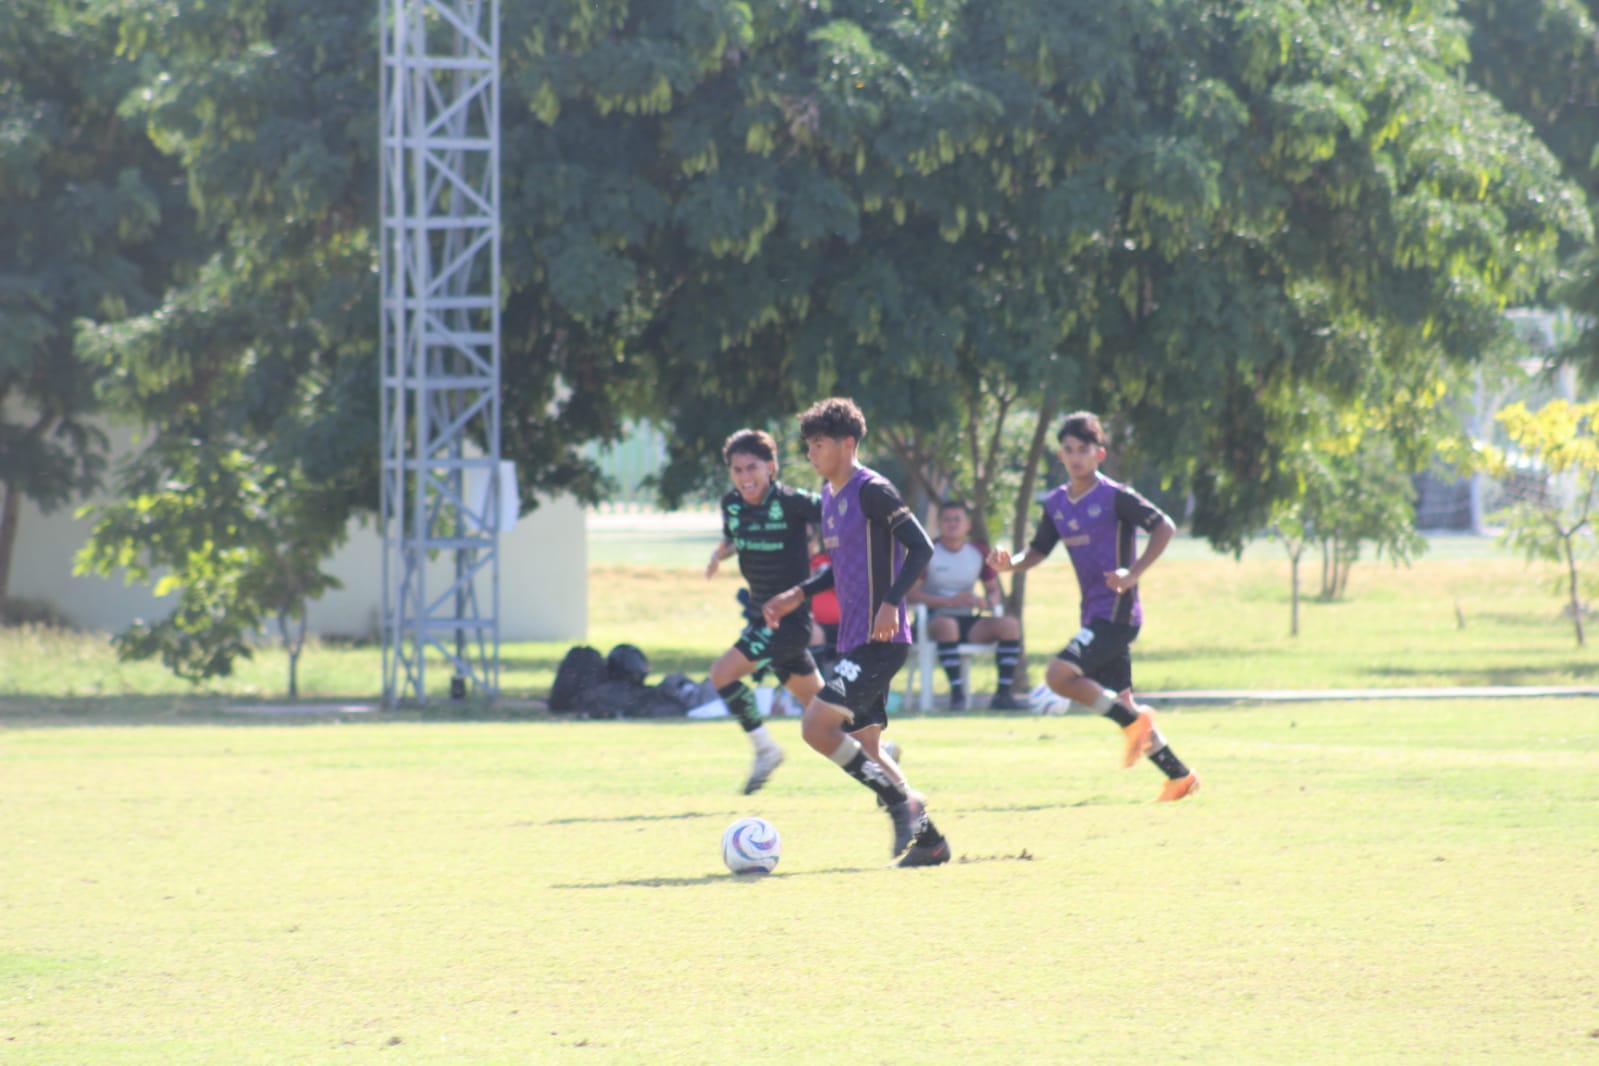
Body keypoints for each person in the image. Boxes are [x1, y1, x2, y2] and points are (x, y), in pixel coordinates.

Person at [764, 397, 952, 867]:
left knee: (816, 727)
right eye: (808, 446)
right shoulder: (829, 496)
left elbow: (921, 548)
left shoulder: (873, 490)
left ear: (848, 444)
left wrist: (892, 603)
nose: (812, 454)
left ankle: (899, 803)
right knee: (869, 750)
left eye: (820, 444)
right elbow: (841, 569)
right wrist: (799, 594)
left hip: (880, 640)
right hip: (852, 640)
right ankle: (930, 842)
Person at [988, 411, 1200, 801]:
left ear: (1099, 454)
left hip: (1117, 613)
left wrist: (1133, 574)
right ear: (1061, 456)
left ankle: (1135, 723)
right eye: (1068, 451)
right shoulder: (1056, 504)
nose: (1076, 457)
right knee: (1121, 700)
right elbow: (1037, 551)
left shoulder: (1115, 496)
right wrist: (1009, 563)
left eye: (1083, 450)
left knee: (1057, 676)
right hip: (1094, 613)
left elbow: (1165, 526)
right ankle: (1179, 776)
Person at [705, 429, 825, 794]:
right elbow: (736, 537)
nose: (745, 477)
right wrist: (721, 552)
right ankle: (880, 751)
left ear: (771, 467)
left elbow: (839, 514)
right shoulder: (732, 505)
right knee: (821, 708)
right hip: (762, 617)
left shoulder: (793, 502)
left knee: (722, 674)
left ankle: (766, 749)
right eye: (737, 470)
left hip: (788, 622)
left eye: (752, 468)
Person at [907, 500, 1023, 710]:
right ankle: (958, 694)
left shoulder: (978, 552)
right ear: (939, 524)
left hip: (969, 619)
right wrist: (949, 601)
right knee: (948, 626)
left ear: (968, 524)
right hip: (934, 619)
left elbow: (993, 589)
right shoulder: (926, 551)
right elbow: (911, 594)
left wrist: (987, 602)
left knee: (1010, 625)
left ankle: (1003, 695)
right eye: (947, 519)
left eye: (957, 519)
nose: (952, 524)